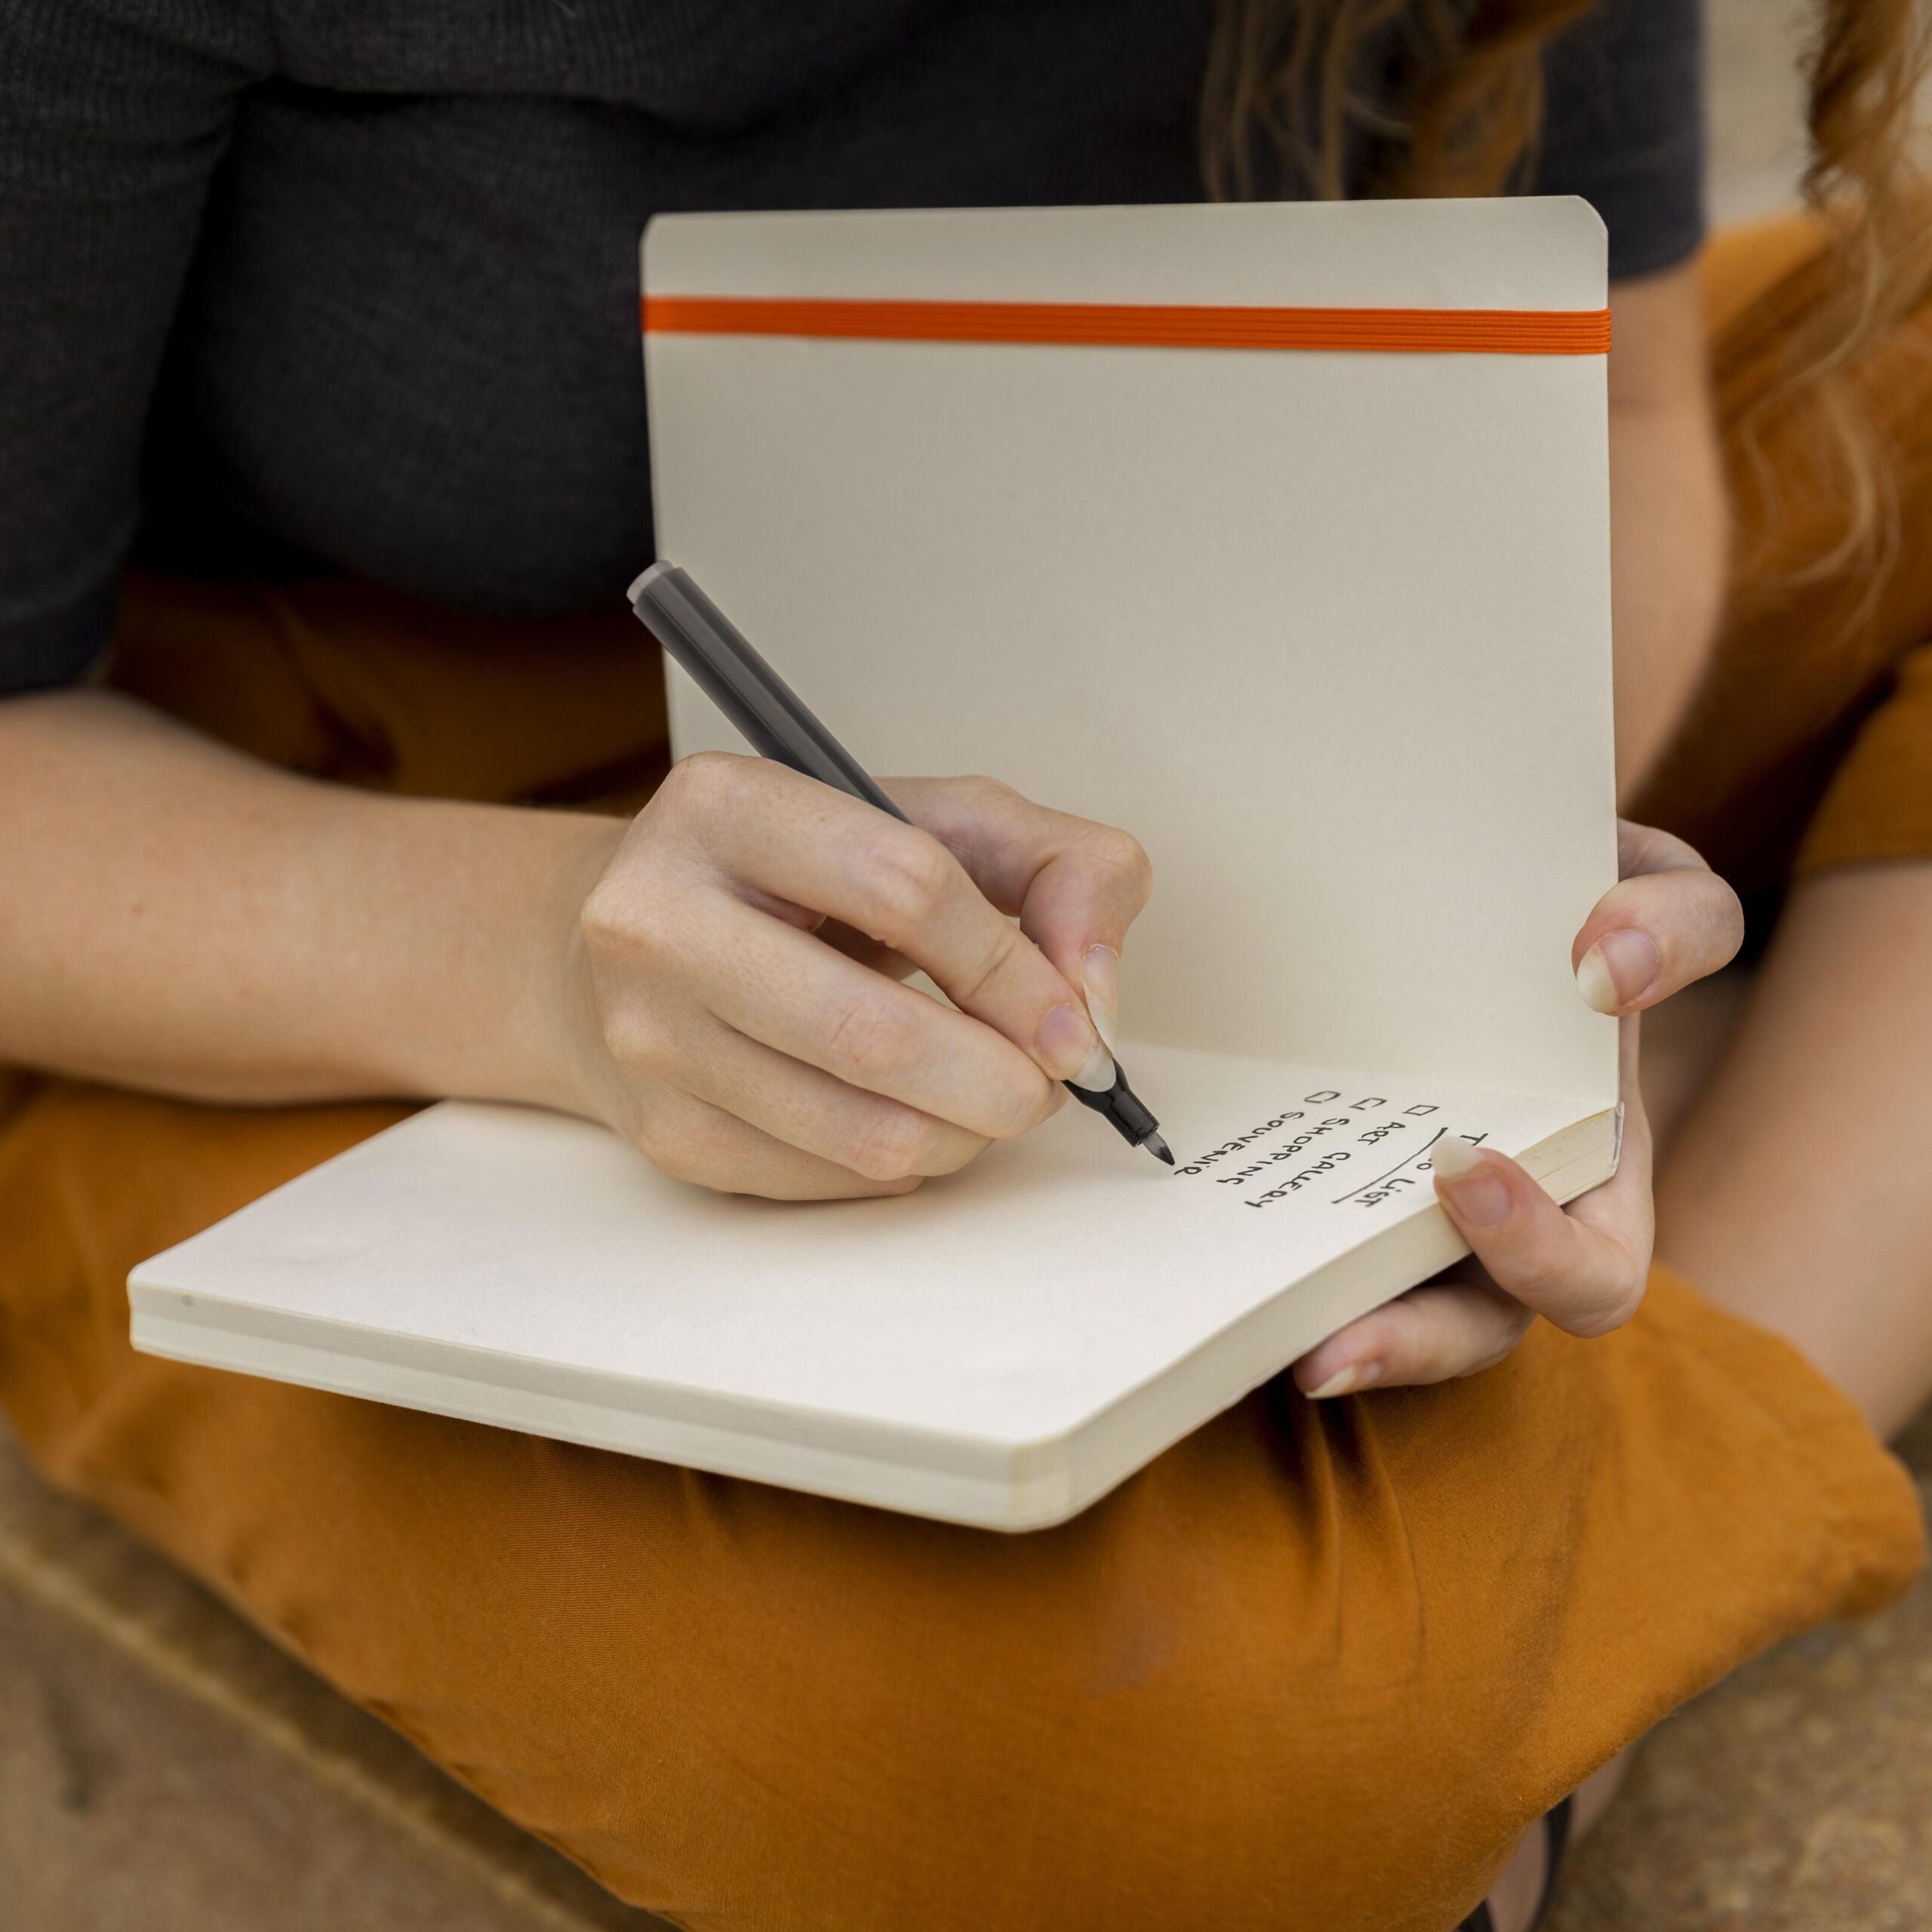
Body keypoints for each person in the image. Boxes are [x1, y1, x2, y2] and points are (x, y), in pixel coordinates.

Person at [0, 2, 1926, 1927]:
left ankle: (1580, 1586)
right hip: (284, 843)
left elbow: (1614, 403)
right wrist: (538, 970)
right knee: (1158, 1757)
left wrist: (1459, 898)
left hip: (1206, 636)